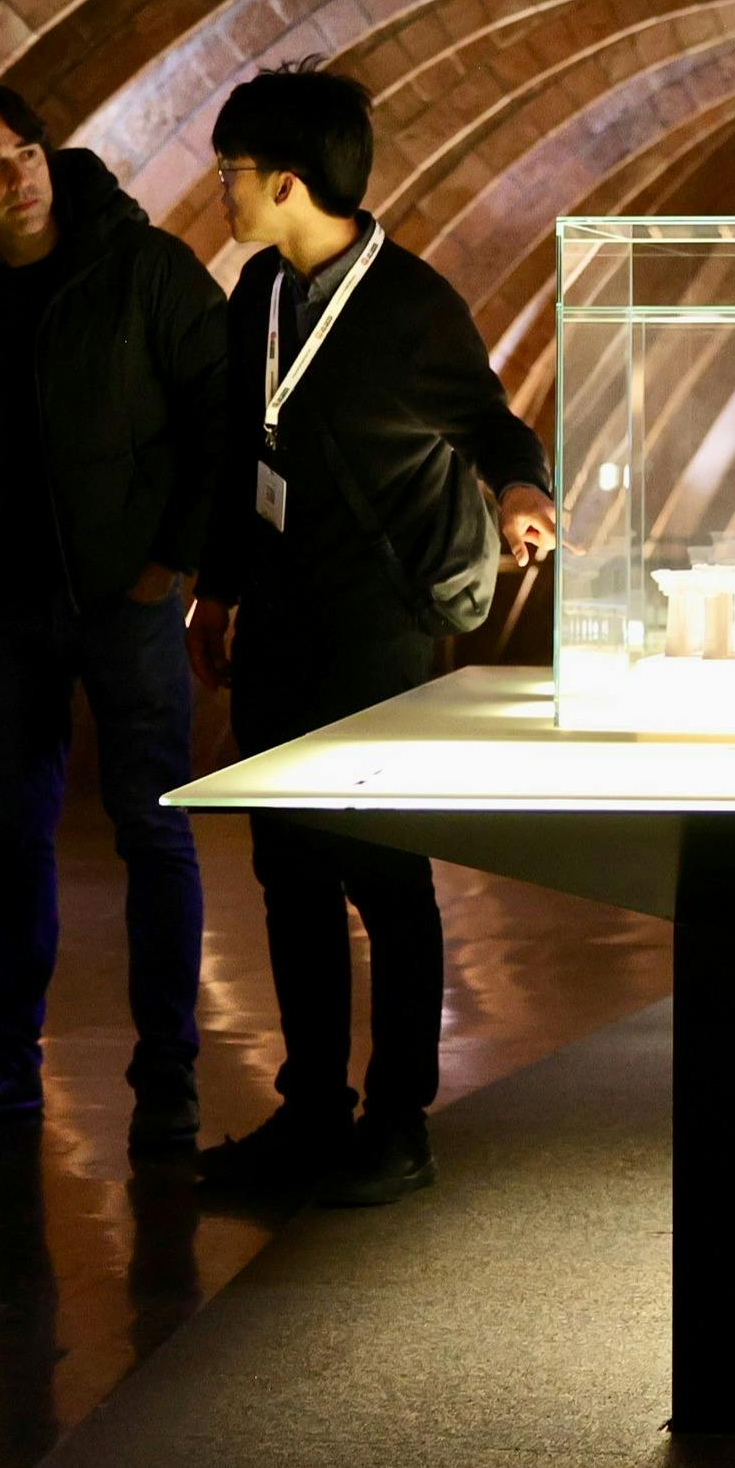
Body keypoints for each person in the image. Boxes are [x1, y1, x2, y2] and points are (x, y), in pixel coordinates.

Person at [188, 69, 555, 1207]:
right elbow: (242, 453)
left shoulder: (409, 303)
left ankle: (400, 1119)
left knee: (384, 873)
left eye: (234, 175)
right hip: (281, 616)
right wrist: (220, 590)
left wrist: (520, 493)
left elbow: (492, 422)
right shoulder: (256, 292)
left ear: (287, 180)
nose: (226, 195)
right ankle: (312, 1109)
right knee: (288, 867)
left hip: (379, 627)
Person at [0, 85, 227, 1152]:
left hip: (125, 597)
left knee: (154, 828)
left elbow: (218, 417)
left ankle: (168, 1073)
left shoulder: (145, 268)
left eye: (28, 150)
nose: (20, 173)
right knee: (14, 837)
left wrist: (170, 563)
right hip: (8, 601)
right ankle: (7, 1063)